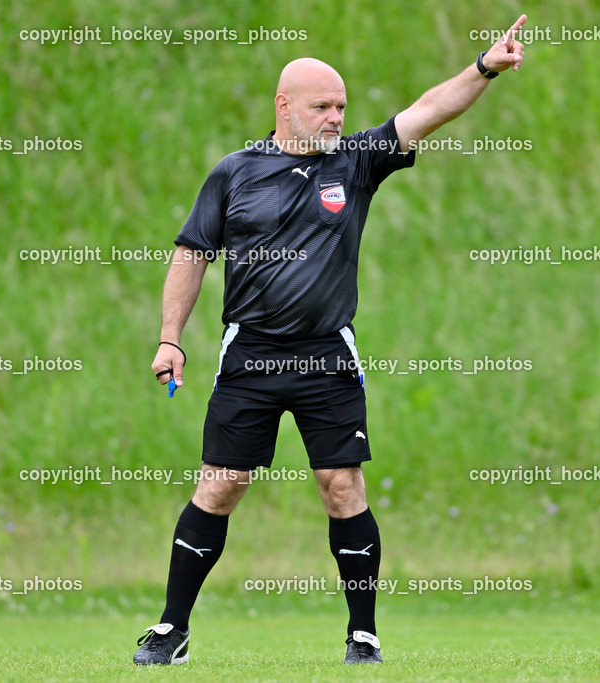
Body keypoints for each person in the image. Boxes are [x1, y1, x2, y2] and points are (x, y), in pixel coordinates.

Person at [134, 14, 527, 666]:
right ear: (284, 107)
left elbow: (428, 110)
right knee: (221, 484)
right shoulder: (235, 173)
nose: (335, 117)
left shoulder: (356, 161)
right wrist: (170, 338)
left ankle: (363, 634)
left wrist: (484, 67)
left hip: (326, 354)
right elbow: (191, 253)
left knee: (341, 484)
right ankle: (171, 629)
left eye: (341, 106)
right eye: (322, 106)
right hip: (251, 354)